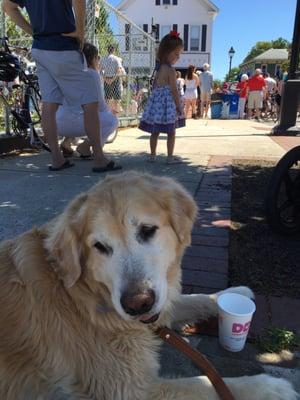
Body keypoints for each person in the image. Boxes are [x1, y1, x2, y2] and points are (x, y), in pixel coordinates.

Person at [2, 0, 120, 173]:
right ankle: (99, 159)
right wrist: (80, 31)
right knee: (90, 103)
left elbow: (7, 6)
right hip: (64, 46)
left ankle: (57, 159)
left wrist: (32, 31)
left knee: (49, 104)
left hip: (40, 48)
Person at [57, 43, 119, 159]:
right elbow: (100, 106)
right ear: (92, 59)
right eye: (97, 57)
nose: (98, 60)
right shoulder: (92, 74)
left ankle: (66, 142)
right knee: (112, 121)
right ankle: (86, 147)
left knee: (78, 112)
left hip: (57, 122)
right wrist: (111, 111)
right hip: (74, 124)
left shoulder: (65, 73)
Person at [139, 31, 185, 164]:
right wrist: (178, 106)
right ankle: (170, 157)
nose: (178, 57)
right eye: (176, 54)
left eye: (179, 54)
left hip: (157, 105)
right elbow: (174, 91)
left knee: (155, 131)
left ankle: (152, 156)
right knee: (171, 131)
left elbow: (154, 86)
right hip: (168, 105)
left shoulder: (158, 69)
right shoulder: (170, 71)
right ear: (166, 52)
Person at [101, 45, 125, 115]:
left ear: (107, 50)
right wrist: (112, 79)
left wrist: (105, 79)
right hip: (115, 79)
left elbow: (100, 70)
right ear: (114, 50)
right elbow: (119, 70)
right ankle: (116, 115)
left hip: (106, 78)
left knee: (107, 98)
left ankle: (106, 114)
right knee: (116, 99)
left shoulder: (103, 59)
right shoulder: (116, 59)